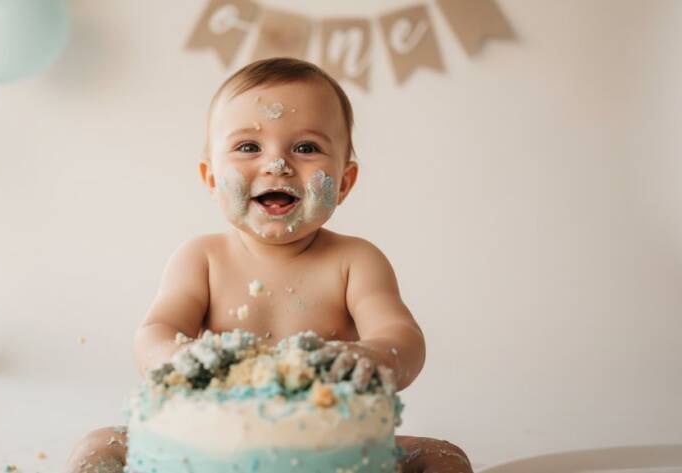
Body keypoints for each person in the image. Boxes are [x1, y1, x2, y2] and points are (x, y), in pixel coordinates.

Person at [67, 57, 473, 473]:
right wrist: (177, 357)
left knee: (442, 456)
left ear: (345, 182)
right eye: (248, 147)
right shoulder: (201, 259)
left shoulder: (355, 262)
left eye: (306, 148)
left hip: (330, 449)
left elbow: (401, 335)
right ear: (211, 179)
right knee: (99, 446)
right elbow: (154, 334)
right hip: (211, 449)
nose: (277, 164)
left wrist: (373, 356)